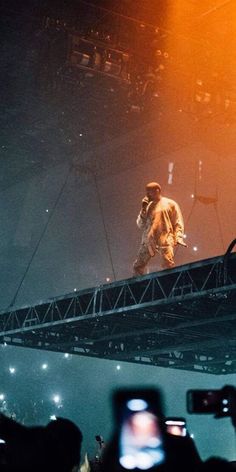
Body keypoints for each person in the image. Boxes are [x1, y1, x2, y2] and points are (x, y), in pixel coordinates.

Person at [133, 182, 186, 275]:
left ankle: (168, 282)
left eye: (150, 191)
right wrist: (143, 209)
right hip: (148, 240)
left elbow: (177, 221)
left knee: (167, 263)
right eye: (147, 192)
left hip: (165, 238)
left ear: (157, 190)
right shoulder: (148, 206)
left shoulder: (170, 204)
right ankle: (136, 286)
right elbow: (140, 224)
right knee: (138, 266)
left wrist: (178, 236)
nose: (148, 194)